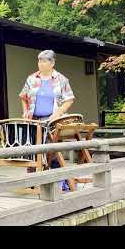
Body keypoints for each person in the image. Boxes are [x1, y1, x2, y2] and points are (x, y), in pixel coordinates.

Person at [19, 49, 75, 187]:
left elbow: (69, 99)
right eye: (39, 60)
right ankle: (32, 181)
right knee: (31, 150)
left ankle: (60, 182)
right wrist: (25, 111)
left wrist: (58, 114)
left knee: (52, 151)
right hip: (33, 119)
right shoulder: (31, 78)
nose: (41, 63)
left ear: (52, 63)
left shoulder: (61, 79)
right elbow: (23, 97)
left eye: (44, 61)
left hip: (51, 120)